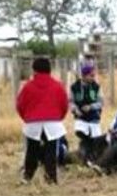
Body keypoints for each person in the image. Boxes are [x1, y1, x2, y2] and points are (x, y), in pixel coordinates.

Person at [16, 57, 69, 185]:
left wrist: (27, 118)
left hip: (33, 123)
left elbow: (20, 105)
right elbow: (64, 104)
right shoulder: (57, 86)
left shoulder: (28, 86)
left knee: (31, 151)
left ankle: (27, 177)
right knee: (51, 151)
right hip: (53, 123)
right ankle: (51, 178)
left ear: (34, 70)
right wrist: (58, 117)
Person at [69, 62, 103, 163]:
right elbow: (70, 101)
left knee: (95, 139)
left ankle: (89, 158)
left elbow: (101, 102)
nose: (93, 77)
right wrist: (75, 109)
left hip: (94, 118)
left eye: (94, 75)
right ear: (84, 75)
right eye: (91, 75)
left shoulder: (96, 87)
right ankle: (87, 158)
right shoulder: (74, 87)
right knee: (83, 134)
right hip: (81, 118)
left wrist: (91, 107)